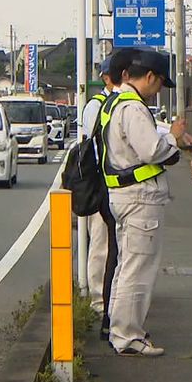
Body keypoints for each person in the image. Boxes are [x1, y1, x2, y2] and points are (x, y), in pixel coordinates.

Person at [100, 50, 189, 357]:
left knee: (128, 265)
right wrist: (174, 139)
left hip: (124, 195)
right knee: (138, 269)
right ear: (150, 77)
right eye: (161, 83)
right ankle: (128, 336)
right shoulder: (134, 109)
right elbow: (152, 150)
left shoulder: (114, 102)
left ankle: (120, 329)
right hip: (139, 198)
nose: (159, 91)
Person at [80, 50, 135, 337]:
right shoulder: (98, 105)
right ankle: (99, 302)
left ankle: (111, 299)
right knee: (101, 245)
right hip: (103, 182)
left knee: (115, 246)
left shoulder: (121, 104)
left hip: (117, 184)